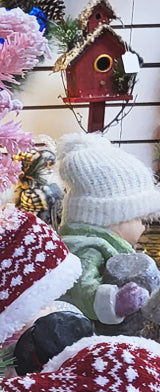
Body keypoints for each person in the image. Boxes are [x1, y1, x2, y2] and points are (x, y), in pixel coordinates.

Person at [56, 133, 160, 327]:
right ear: (112, 218)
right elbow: (82, 288)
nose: (144, 227)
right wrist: (115, 302)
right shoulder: (86, 249)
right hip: (89, 334)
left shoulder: (104, 245)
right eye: (139, 218)